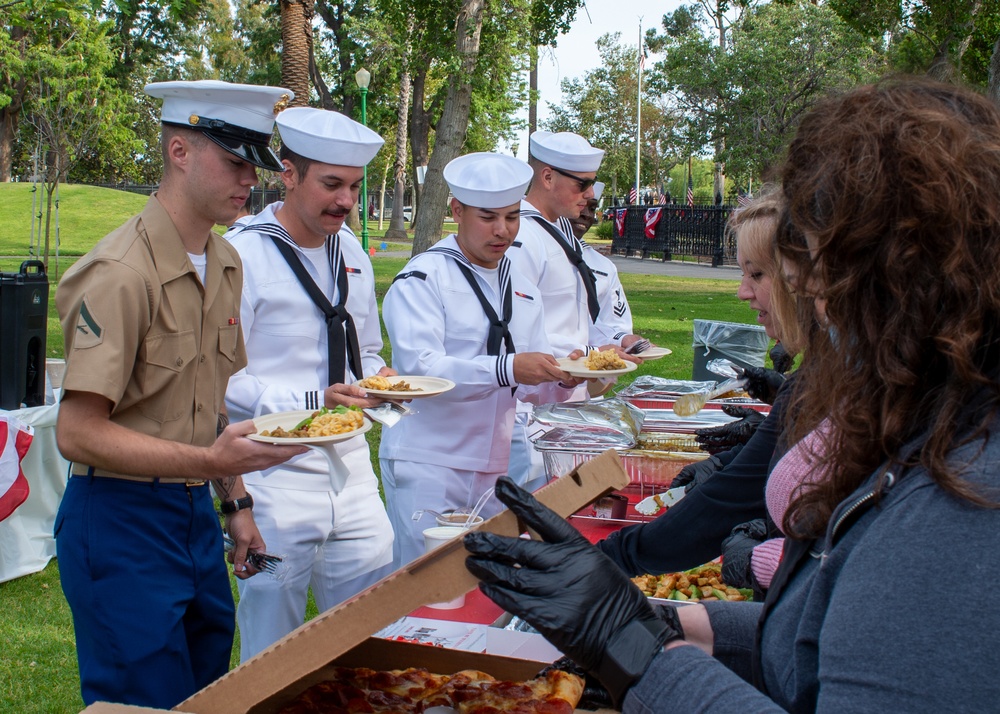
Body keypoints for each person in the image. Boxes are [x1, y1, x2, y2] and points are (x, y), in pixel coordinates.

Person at [465, 77, 1000, 712]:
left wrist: (631, 645)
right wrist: (681, 623)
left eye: (820, 270)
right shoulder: (938, 422)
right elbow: (814, 640)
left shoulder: (962, 498)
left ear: (896, 279)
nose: (813, 297)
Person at [53, 80, 306, 708]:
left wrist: (234, 504)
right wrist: (212, 465)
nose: (250, 178)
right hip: (120, 518)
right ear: (179, 151)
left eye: (255, 163)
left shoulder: (224, 262)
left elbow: (206, 401)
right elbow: (77, 432)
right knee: (143, 699)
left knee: (206, 696)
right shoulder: (119, 273)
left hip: (193, 517)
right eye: (234, 160)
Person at [224, 107, 395, 661]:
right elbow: (221, 380)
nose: (346, 201)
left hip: (352, 471)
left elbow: (365, 349)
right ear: (288, 173)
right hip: (273, 476)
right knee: (272, 654)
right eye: (331, 184)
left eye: (353, 186)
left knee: (369, 637)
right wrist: (311, 402)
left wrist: (382, 380)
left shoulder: (351, 252)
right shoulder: (242, 253)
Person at [379, 152, 580, 567]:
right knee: (428, 588)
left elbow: (528, 388)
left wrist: (563, 377)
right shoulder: (424, 278)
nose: (502, 230)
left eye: (512, 216)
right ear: (456, 210)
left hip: (497, 464)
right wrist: (508, 367)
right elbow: (420, 370)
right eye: (488, 217)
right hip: (430, 460)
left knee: (487, 585)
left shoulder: (522, 287)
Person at [596, 189, 802, 576]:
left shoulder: (828, 381)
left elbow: (733, 498)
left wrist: (609, 558)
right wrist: (724, 463)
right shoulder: (822, 375)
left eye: (757, 274)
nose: (742, 291)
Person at [506, 132, 639, 492]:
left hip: (561, 406)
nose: (590, 195)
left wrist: (608, 348)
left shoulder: (556, 234)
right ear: (547, 178)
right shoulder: (521, 237)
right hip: (525, 415)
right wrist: (581, 363)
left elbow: (576, 320)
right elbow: (515, 336)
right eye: (583, 184)